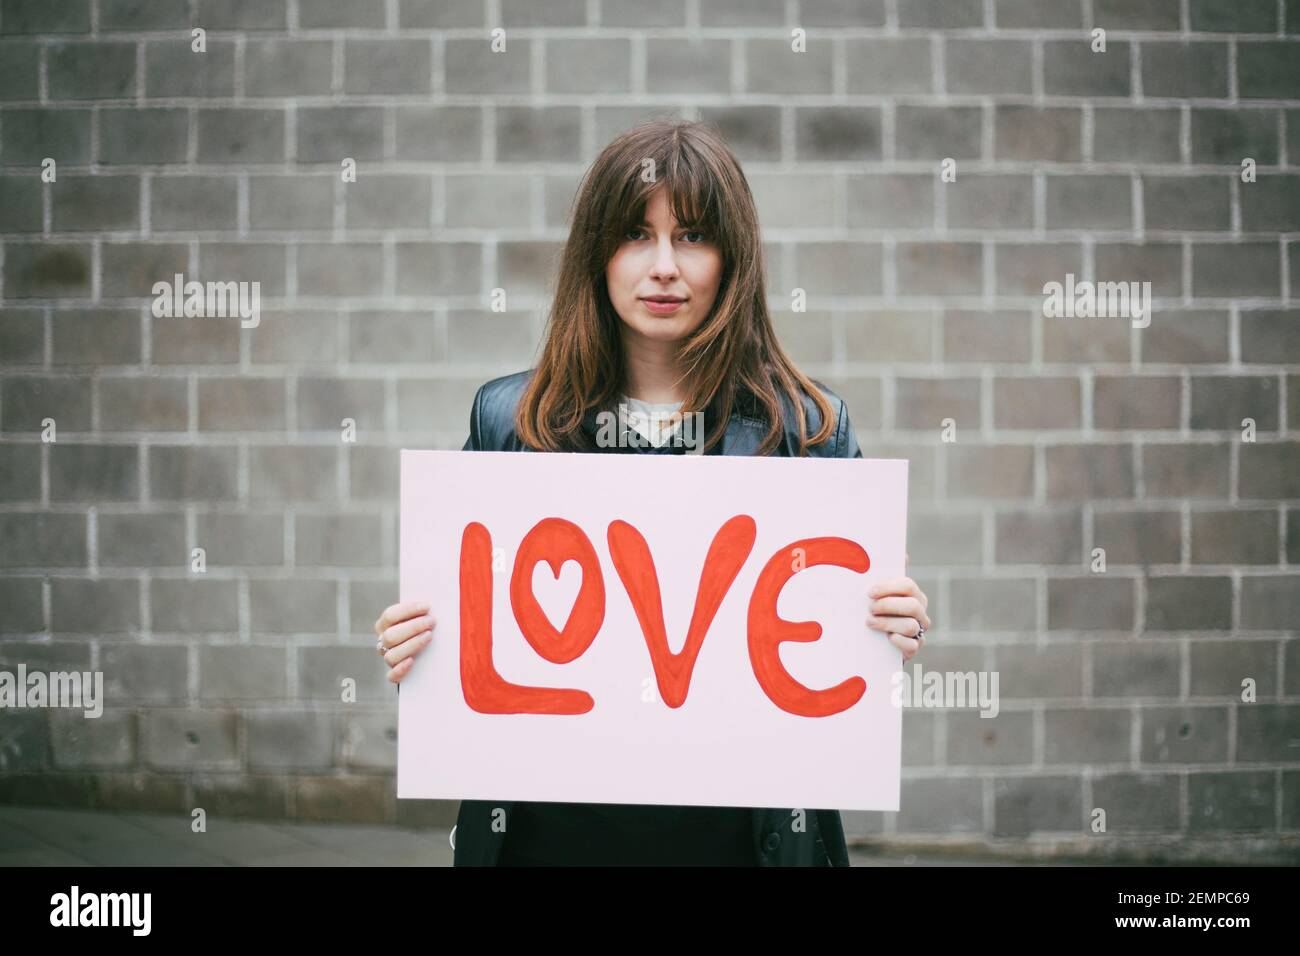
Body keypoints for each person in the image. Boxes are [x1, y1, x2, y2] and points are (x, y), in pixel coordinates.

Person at [373, 120, 932, 866]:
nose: (664, 267)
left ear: (732, 260)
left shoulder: (806, 429)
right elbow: (467, 632)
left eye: (693, 236)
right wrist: (417, 643)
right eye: (637, 235)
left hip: (738, 844)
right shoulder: (512, 422)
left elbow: (845, 652)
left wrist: (892, 626)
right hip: (553, 841)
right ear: (596, 255)